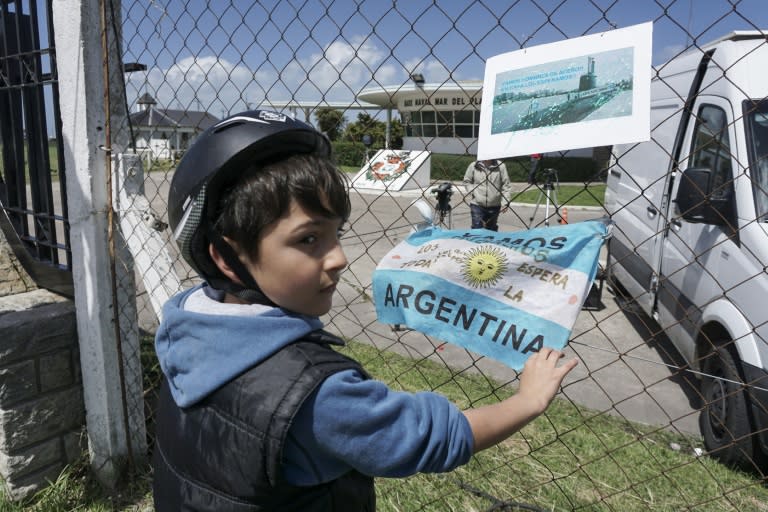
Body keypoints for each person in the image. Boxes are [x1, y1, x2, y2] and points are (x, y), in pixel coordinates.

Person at [153, 109, 578, 511]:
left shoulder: (185, 325)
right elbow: (420, 439)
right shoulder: (314, 394)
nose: (338, 257)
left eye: (336, 234)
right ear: (228, 257)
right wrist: (527, 401)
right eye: (308, 240)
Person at [463, 158, 514, 231]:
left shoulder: (501, 166)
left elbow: (506, 185)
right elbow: (466, 181)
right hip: (477, 204)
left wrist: (505, 202)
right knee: (476, 229)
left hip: (494, 205)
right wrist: (474, 192)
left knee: (491, 230)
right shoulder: (473, 165)